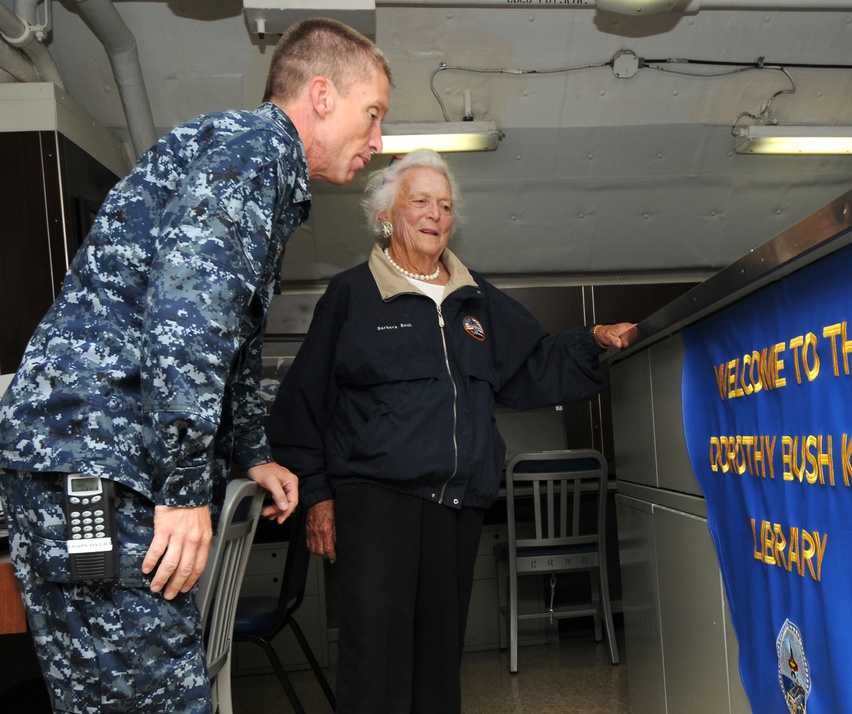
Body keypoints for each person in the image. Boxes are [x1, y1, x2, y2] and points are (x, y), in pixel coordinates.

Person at [0, 18, 392, 714]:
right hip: (97, 466)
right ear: (323, 96)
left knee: (122, 697)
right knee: (149, 697)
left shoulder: (253, 165)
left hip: (94, 459)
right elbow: (188, 321)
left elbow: (227, 334)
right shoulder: (249, 153)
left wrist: (250, 450)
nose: (377, 142)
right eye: (374, 115)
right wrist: (183, 490)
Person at [267, 148, 637, 713]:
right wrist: (317, 496)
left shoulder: (475, 297)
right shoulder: (353, 295)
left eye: (444, 205)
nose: (435, 214)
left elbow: (531, 364)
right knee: (375, 656)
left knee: (440, 656)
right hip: (377, 500)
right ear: (387, 215)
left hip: (457, 502)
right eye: (420, 201)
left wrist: (591, 340)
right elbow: (304, 404)